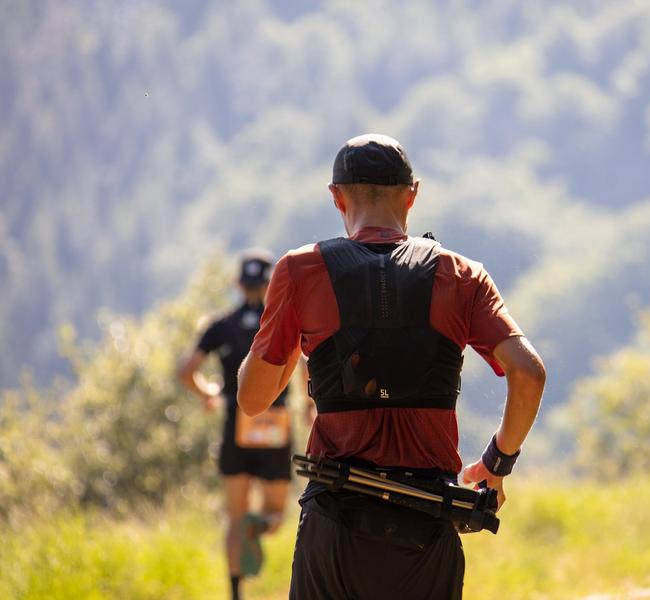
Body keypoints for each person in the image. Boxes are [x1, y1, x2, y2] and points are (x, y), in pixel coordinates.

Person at [237, 133, 545, 599]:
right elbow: (529, 372)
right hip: (428, 525)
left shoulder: (301, 270)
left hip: (334, 524)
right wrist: (496, 464)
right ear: (412, 195)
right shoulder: (462, 275)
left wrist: (294, 329)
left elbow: (252, 399)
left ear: (337, 197)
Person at [178, 250, 307, 600]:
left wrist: (209, 393)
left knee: (235, 518)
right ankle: (259, 527)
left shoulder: (221, 325)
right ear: (269, 285)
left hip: (236, 425)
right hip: (275, 425)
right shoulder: (283, 323)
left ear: (238, 284)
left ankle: (236, 594)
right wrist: (308, 406)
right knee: (276, 515)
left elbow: (186, 370)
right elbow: (304, 364)